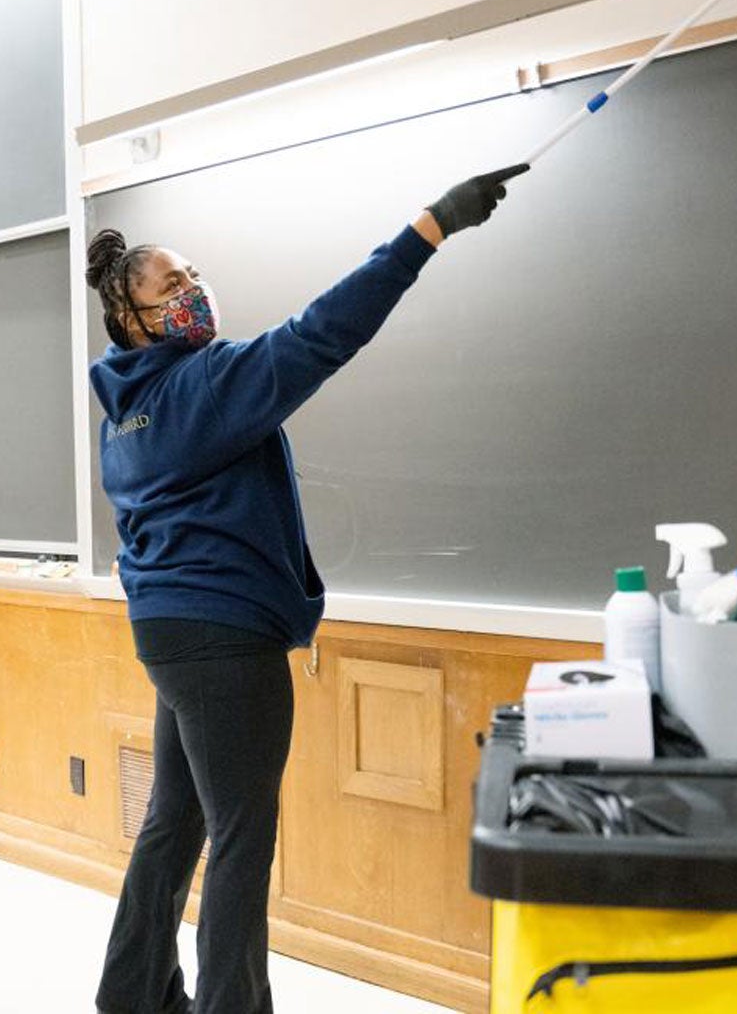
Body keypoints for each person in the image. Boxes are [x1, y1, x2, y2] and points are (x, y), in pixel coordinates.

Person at [85, 163, 528, 1014]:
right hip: (225, 642)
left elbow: (142, 530)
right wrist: (428, 227)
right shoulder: (204, 385)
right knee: (242, 842)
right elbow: (322, 333)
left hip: (172, 640)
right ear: (129, 316)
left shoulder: (125, 413)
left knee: (174, 822)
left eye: (194, 275)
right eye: (171, 283)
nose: (193, 290)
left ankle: (132, 997)